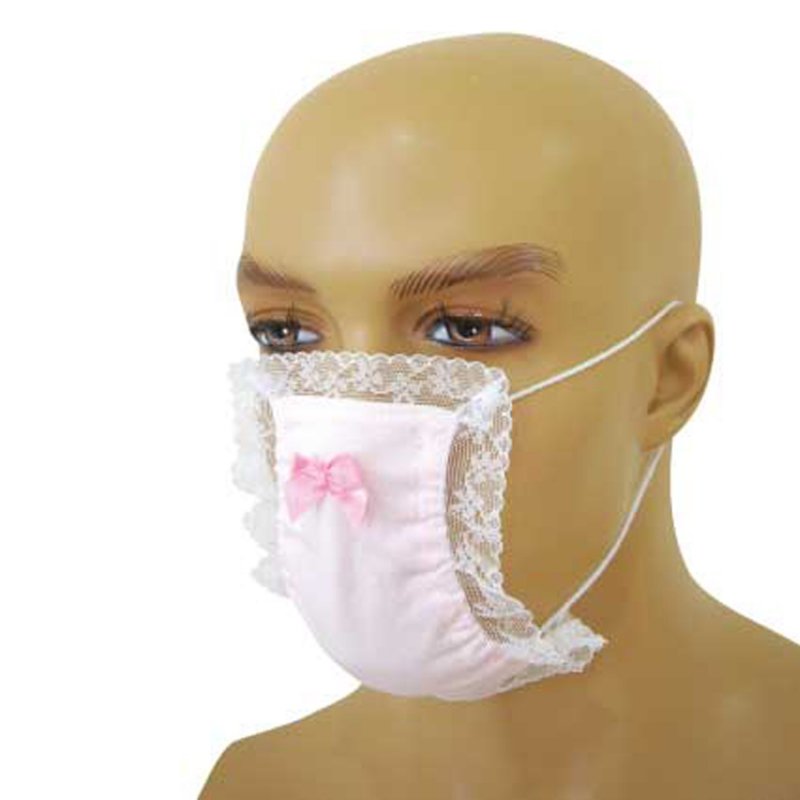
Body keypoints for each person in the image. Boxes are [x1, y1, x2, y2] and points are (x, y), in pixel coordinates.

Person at [200, 32, 800, 799]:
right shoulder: (260, 784)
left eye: (465, 329)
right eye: (288, 334)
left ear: (668, 378)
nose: (357, 416)